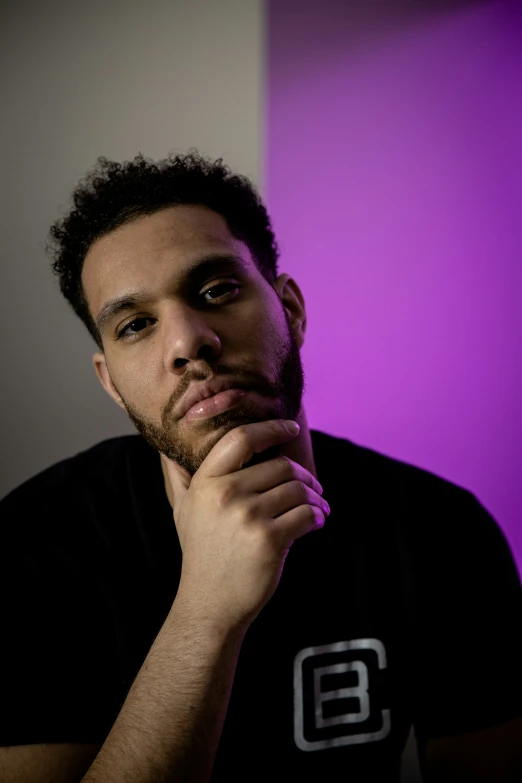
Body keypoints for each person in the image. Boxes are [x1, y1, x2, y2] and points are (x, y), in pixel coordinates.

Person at [0, 152, 521, 783]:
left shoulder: (442, 531)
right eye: (136, 324)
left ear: (291, 311)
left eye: (216, 291)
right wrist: (204, 613)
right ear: (111, 384)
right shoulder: (31, 546)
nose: (188, 342)